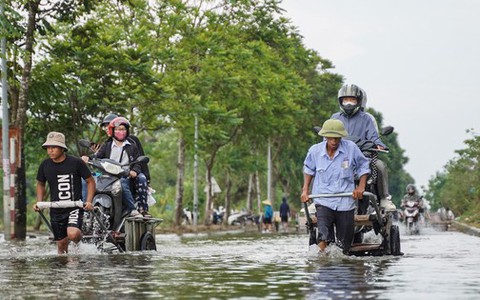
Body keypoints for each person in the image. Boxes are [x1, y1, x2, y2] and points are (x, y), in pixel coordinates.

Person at [301, 119, 370, 254]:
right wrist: (305, 190)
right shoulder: (315, 151)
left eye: (337, 138)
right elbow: (309, 169)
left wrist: (361, 187)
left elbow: (363, 166)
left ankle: (342, 264)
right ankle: (323, 262)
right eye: (331, 138)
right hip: (323, 200)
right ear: (325, 137)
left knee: (344, 245)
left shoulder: (350, 148)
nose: (334, 142)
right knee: (324, 235)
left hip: (345, 201)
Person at [331, 83, 396, 211]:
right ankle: (315, 201)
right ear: (340, 101)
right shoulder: (334, 118)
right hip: (339, 157)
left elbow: (373, 137)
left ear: (359, 101)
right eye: (346, 100)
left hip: (362, 157)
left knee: (380, 166)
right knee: (318, 166)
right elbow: (327, 136)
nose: (348, 103)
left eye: (352, 100)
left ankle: (384, 199)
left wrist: (380, 145)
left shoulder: (367, 119)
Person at [33, 132, 95, 254]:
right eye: (48, 148)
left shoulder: (76, 163)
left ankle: (79, 245)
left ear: (62, 148)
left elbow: (90, 181)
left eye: (53, 147)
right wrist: (39, 203)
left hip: (74, 207)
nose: (50, 150)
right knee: (61, 247)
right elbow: (40, 183)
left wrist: (88, 201)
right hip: (56, 209)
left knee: (73, 234)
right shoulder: (45, 165)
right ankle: (63, 272)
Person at [82, 117, 144, 218]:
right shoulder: (107, 145)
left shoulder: (132, 146)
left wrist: (134, 171)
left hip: (123, 175)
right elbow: (97, 157)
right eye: (118, 129)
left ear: (127, 131)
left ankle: (132, 209)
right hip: (106, 175)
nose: (121, 132)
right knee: (85, 181)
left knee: (123, 183)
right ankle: (85, 207)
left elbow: (137, 163)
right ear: (112, 131)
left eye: (123, 129)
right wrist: (87, 158)